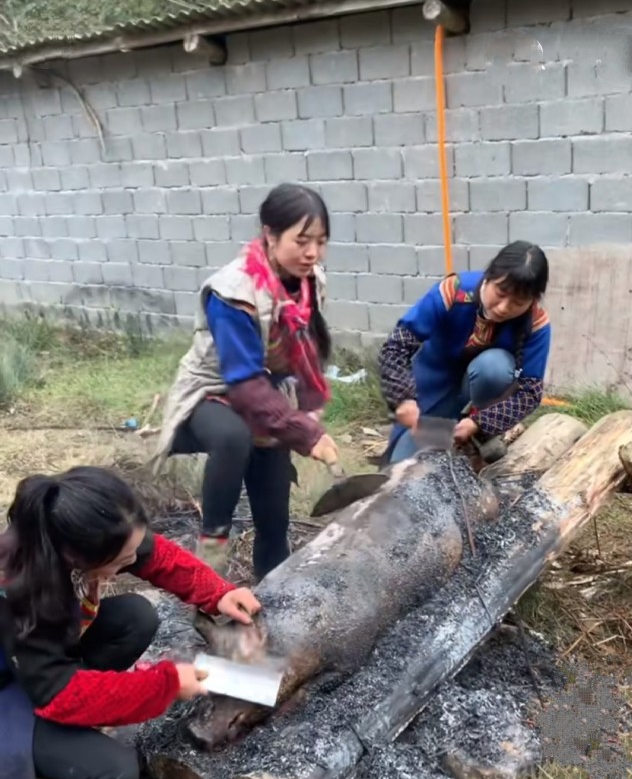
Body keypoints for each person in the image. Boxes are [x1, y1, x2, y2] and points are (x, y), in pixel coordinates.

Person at [0, 465, 260, 779]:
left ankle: (58, 744)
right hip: (12, 691)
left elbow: (151, 554)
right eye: (120, 562)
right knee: (115, 771)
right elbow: (58, 695)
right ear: (75, 557)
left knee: (136, 616)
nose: (132, 562)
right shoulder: (22, 591)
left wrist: (216, 593)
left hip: (37, 670)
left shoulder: (75, 535)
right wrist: (162, 685)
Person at [154, 183, 339, 581]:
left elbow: (310, 345)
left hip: (267, 394)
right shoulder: (234, 291)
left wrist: (309, 410)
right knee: (234, 438)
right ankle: (211, 558)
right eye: (302, 241)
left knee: (274, 514)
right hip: (213, 392)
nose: (313, 253)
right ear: (270, 235)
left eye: (321, 242)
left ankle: (274, 597)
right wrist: (301, 432)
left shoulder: (309, 281)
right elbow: (242, 381)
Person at [378, 241, 551, 463]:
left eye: (518, 302)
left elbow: (530, 394)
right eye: (500, 292)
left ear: (533, 300)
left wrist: (480, 422)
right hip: (433, 384)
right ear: (489, 276)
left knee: (494, 367)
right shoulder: (454, 291)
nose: (503, 307)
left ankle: (478, 438)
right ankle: (443, 429)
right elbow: (397, 347)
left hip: (484, 396)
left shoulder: (536, 323)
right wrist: (403, 398)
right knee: (401, 466)